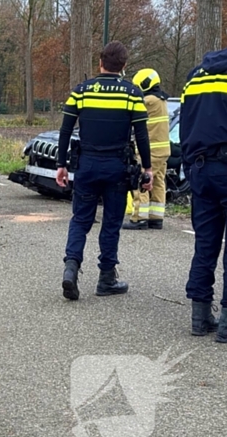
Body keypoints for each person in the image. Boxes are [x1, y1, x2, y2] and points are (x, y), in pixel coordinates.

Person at [55, 41, 153, 300]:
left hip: (86, 165)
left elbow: (65, 130)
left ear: (100, 63)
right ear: (124, 66)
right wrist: (148, 168)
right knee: (110, 223)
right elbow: (142, 135)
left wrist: (61, 165)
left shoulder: (82, 91)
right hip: (117, 168)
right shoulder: (132, 93)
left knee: (80, 220)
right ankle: (106, 278)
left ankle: (71, 268)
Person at [180, 48, 227, 340]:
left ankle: (200, 317)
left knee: (205, 243)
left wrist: (190, 169)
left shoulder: (194, 77)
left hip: (200, 167)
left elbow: (184, 127)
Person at [123, 69, 171, 230]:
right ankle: (156, 217)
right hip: (163, 151)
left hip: (150, 151)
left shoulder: (148, 101)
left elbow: (128, 110)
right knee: (158, 182)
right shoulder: (162, 100)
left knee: (141, 181)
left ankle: (139, 218)